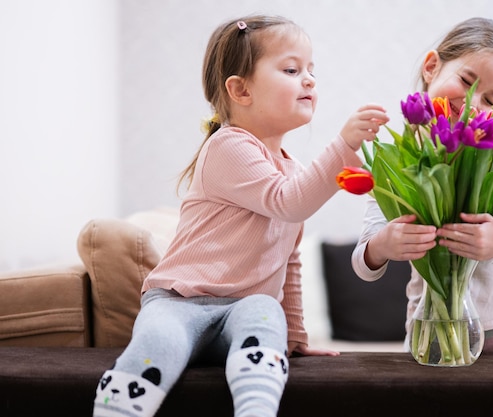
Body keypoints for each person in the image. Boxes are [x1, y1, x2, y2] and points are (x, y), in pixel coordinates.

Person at [92, 14, 388, 417]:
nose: (309, 80)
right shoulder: (229, 146)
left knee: (264, 312)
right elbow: (290, 202)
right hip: (181, 303)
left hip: (242, 309)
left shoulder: (295, 171)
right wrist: (343, 144)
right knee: (158, 341)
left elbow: (289, 258)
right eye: (291, 69)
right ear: (240, 89)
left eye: (311, 71)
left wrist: (296, 334)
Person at [351, 17, 493, 354]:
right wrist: (383, 245)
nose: (472, 103)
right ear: (431, 67)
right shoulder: (397, 162)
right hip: (429, 329)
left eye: (489, 100)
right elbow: (363, 263)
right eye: (466, 81)